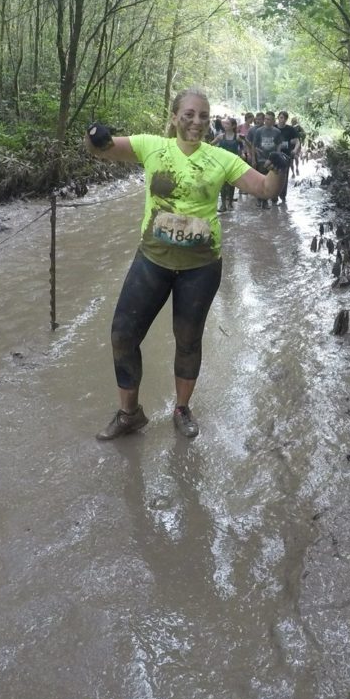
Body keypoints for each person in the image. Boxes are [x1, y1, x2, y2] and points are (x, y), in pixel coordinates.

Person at [85, 87, 288, 440]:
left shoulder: (220, 159)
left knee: (188, 340)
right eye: (190, 114)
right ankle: (129, 414)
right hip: (152, 259)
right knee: (122, 335)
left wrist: (278, 170)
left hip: (201, 267)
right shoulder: (152, 146)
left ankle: (181, 409)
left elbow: (265, 189)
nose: (196, 121)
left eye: (203, 116)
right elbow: (102, 150)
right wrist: (94, 135)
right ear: (175, 116)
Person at [213, 117, 245, 212]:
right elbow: (210, 145)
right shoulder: (220, 137)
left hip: (233, 164)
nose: (225, 125)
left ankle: (230, 203)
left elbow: (243, 147)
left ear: (233, 126)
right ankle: (223, 205)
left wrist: (243, 153)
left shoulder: (237, 137)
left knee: (231, 184)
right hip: (222, 164)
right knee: (222, 185)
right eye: (225, 124)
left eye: (227, 124)